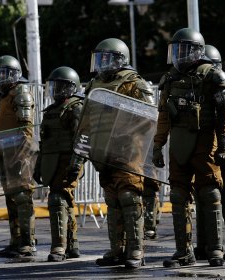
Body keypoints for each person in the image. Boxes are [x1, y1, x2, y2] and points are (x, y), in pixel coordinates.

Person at [152, 28, 225, 267]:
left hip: (205, 143)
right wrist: (158, 145)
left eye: (185, 50)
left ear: (198, 52)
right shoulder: (170, 78)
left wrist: (224, 146)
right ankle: (183, 251)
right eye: (176, 50)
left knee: (210, 193)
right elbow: (163, 116)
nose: (180, 55)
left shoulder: (213, 76)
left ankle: (216, 250)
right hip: (178, 144)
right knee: (178, 195)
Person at [84, 38, 156, 268]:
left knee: (129, 198)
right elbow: (86, 118)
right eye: (100, 58)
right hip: (103, 152)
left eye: (108, 58)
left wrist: (125, 132)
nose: (102, 63)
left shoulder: (135, 83)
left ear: (120, 60)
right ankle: (117, 249)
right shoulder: (93, 85)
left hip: (128, 152)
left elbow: (150, 117)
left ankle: (135, 251)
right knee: (112, 200)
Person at [193, 44, 225, 260]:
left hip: (224, 153)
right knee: (204, 196)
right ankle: (205, 245)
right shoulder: (196, 90)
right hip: (206, 150)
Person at [32, 66, 84, 262]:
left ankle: (59, 247)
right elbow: (44, 143)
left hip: (68, 161)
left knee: (56, 199)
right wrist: (38, 167)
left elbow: (82, 139)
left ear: (71, 87)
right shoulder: (51, 111)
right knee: (65, 201)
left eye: (60, 87)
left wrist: (76, 165)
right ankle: (72, 245)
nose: (56, 91)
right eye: (54, 87)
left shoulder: (75, 108)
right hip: (52, 162)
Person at [0, 55, 37, 258]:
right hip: (5, 156)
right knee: (11, 199)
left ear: (15, 74)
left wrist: (21, 156)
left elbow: (27, 130)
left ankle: (28, 242)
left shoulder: (21, 93)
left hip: (18, 156)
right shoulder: (6, 96)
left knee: (22, 198)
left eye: (4, 73)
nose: (0, 78)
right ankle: (15, 241)